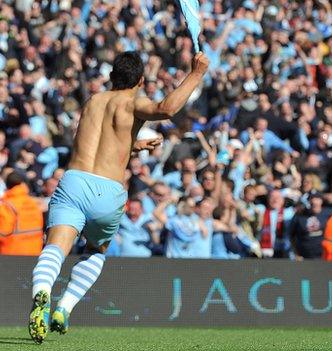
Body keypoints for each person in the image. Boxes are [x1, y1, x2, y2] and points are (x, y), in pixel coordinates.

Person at [28, 51, 208, 343]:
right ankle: (65, 306)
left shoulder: (92, 101)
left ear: (112, 77)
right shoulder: (133, 101)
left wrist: (134, 146)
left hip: (73, 181)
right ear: (139, 80)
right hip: (107, 191)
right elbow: (167, 108)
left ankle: (42, 292)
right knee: (97, 250)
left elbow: (97, 142)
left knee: (56, 248)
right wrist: (196, 73)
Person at [0, 172, 44, 256]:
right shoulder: (34, 203)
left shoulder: (7, 206)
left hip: (13, 256)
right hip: (35, 254)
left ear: (7, 185)